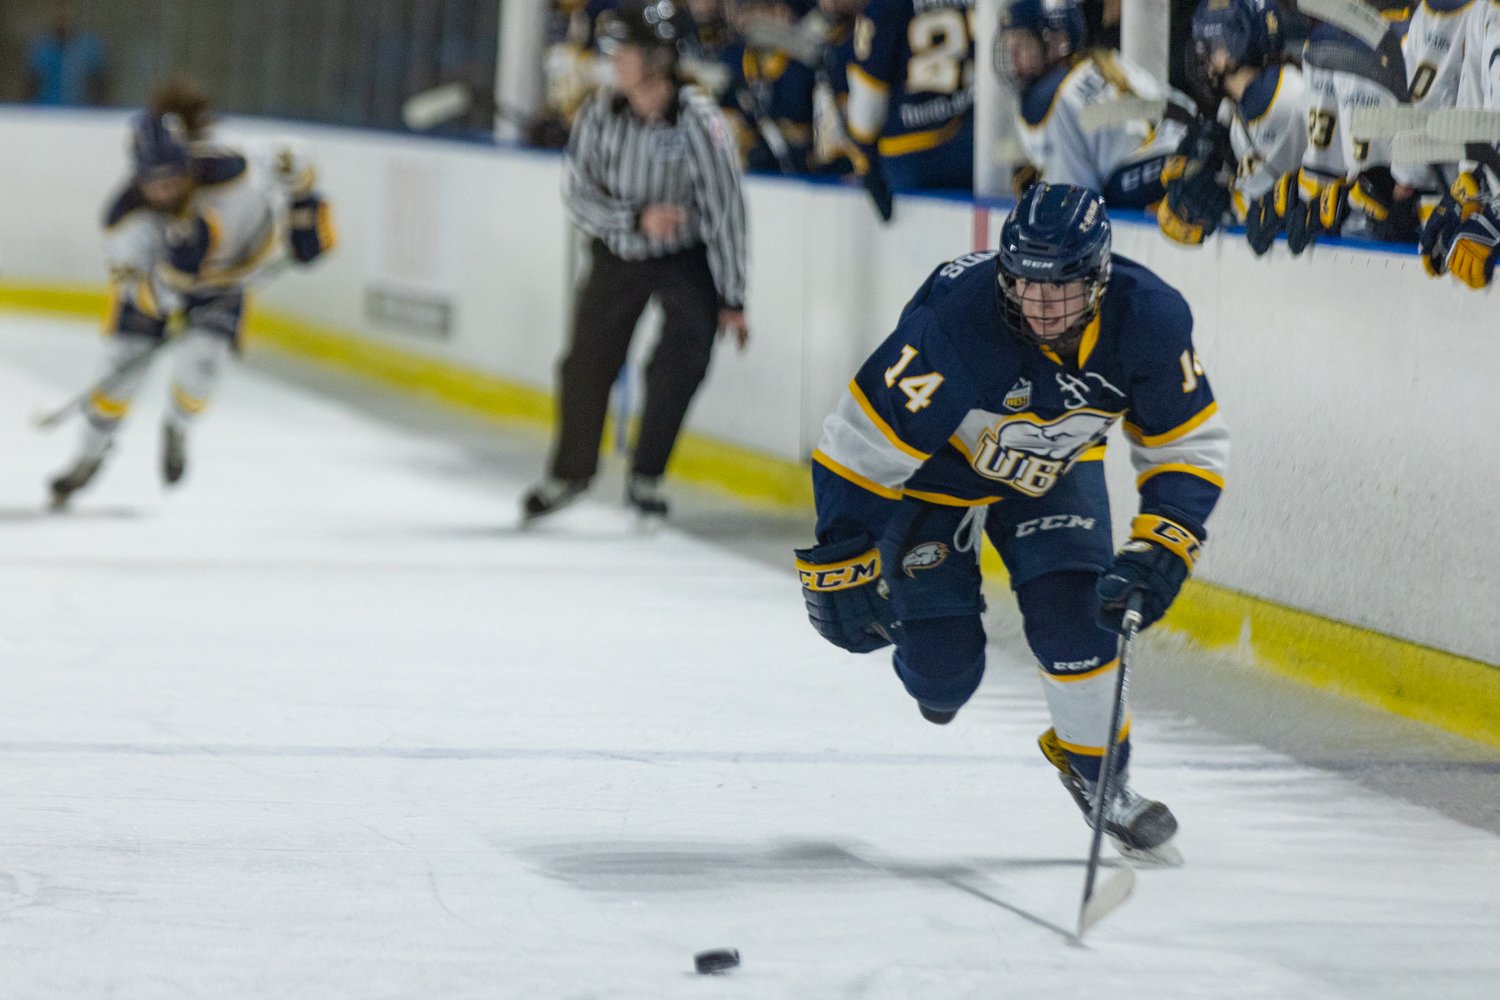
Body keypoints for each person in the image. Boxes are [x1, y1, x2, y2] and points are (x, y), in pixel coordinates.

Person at [794, 183, 1228, 862]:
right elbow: (858, 446)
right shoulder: (957, 323)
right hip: (934, 481)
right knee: (943, 682)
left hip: (1050, 472)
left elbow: (1188, 444)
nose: (1041, 306)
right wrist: (843, 559)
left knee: (1082, 621)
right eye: (1025, 284)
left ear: (1101, 277)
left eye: (1061, 289)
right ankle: (938, 598)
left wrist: (1167, 539)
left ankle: (1101, 780)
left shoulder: (1150, 320)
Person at [48, 82, 336, 508]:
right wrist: (176, 273)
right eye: (153, 183)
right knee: (119, 371)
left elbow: (299, 161)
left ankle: (178, 427)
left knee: (203, 367)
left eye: (173, 179)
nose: (163, 191)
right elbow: (142, 296)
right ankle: (88, 455)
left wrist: (307, 211)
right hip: (158, 285)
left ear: (189, 164)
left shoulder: (238, 168)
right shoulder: (125, 221)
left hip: (225, 281)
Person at [522, 0, 749, 524]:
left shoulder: (701, 120)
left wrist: (733, 296)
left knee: (682, 360)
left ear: (658, 57)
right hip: (619, 254)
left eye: (624, 51)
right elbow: (577, 194)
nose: (615, 61)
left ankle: (647, 476)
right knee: (586, 363)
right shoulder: (600, 112)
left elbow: (727, 209)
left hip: (684, 258)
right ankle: (570, 473)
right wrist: (633, 218)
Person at [997, 0, 1189, 209]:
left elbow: (1076, 198)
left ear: (1055, 38)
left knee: (1080, 208)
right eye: (1009, 45)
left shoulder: (1051, 97)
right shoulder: (1102, 59)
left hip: (1148, 179)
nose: (1012, 56)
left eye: (1022, 43)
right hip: (1182, 148)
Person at [1159, 0, 1306, 252]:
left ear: (1231, 48)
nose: (1201, 54)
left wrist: (1224, 194)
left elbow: (1263, 199)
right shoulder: (1240, 105)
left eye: (1209, 46)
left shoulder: (1280, 99)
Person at [843, 0, 976, 191]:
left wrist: (865, 161)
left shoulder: (883, 6)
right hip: (974, 145)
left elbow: (869, 93)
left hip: (908, 153)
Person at [23, 0, 108, 107]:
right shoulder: (39, 48)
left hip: (82, 118)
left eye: (66, 8)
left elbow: (100, 90)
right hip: (43, 116)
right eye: (58, 8)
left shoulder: (90, 48)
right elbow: (29, 89)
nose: (62, 13)